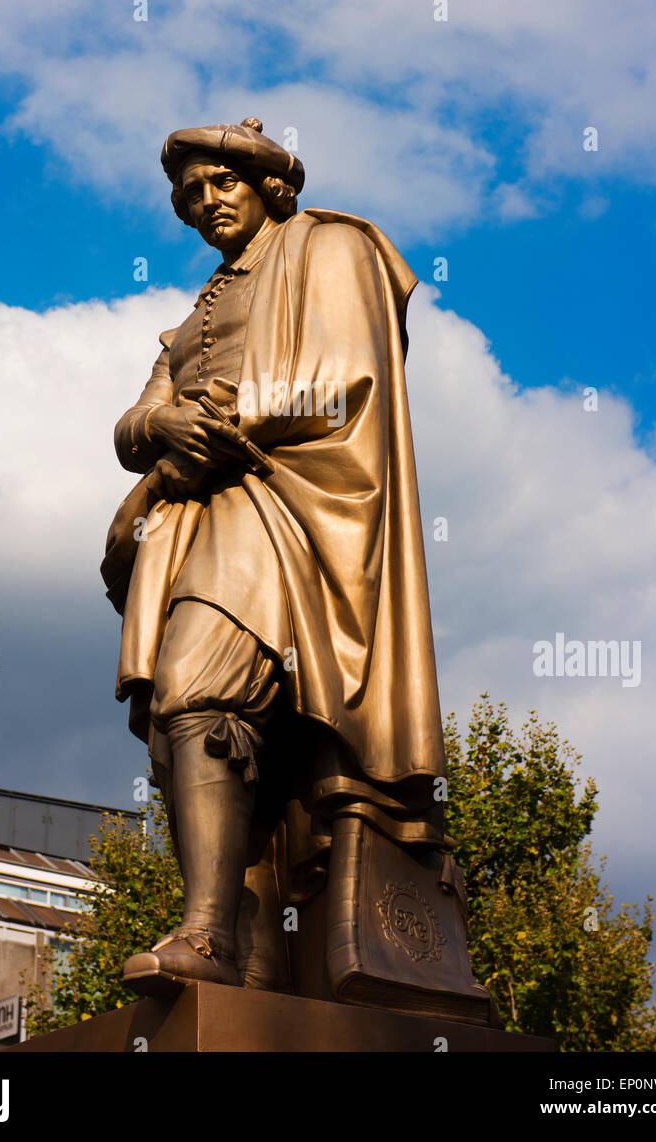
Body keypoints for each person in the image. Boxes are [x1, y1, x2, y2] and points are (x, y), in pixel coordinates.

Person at [102, 117, 447, 991]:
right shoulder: (193, 315)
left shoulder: (331, 247)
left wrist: (229, 419)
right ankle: (243, 948)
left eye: (221, 183)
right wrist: (166, 422)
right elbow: (132, 423)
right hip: (195, 516)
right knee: (189, 724)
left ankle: (210, 937)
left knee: (195, 685)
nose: (204, 201)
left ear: (267, 186)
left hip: (287, 502)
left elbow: (349, 376)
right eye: (189, 193)